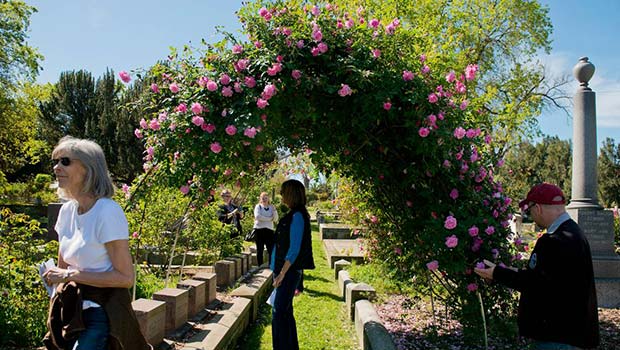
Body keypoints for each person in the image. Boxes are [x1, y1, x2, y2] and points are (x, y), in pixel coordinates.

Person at [42, 136, 150, 349]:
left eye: (65, 161)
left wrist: (68, 275)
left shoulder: (106, 211)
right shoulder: (66, 211)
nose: (56, 167)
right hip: (70, 310)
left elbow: (125, 278)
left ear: (88, 168)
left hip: (100, 312)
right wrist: (54, 283)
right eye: (55, 161)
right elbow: (62, 267)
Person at [474, 183, 599, 349]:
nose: (530, 214)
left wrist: (496, 273)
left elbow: (536, 283)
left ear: (538, 207)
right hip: (570, 333)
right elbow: (551, 278)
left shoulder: (554, 240)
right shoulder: (574, 233)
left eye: (530, 209)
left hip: (557, 337)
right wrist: (507, 271)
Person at [271, 179, 315, 350]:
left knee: (279, 313)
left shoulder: (297, 216)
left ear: (291, 194)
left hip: (287, 272)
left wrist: (281, 274)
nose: (281, 195)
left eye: (283, 192)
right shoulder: (295, 214)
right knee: (285, 313)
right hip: (284, 270)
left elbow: (294, 248)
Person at [253, 192, 278, 266]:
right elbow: (257, 217)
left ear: (268, 198)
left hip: (269, 231)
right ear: (260, 199)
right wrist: (270, 219)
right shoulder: (258, 206)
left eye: (265, 198)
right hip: (259, 230)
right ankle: (260, 266)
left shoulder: (271, 207)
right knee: (259, 250)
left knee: (271, 249)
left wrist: (274, 210)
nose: (264, 199)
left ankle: (271, 266)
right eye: (262, 198)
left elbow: (276, 219)